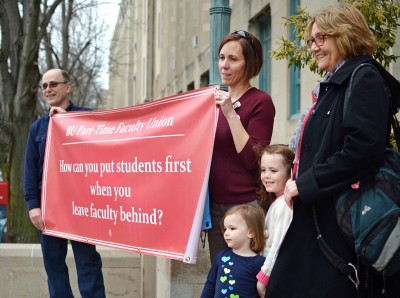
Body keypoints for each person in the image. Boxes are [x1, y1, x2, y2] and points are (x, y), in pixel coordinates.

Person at [265, 5, 400, 298]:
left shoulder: (363, 77)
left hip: (339, 219)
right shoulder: (335, 84)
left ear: (346, 35)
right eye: (311, 41)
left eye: (320, 38)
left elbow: (364, 148)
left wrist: (306, 183)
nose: (313, 47)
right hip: (321, 215)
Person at [24, 69, 106, 298]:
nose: (48, 89)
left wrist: (70, 122)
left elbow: (103, 151)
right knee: (54, 267)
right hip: (48, 209)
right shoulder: (37, 128)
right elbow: (30, 172)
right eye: (44, 86)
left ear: (67, 87)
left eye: (53, 84)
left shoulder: (87, 118)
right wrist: (33, 206)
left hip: (81, 207)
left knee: (88, 263)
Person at [208, 29, 275, 262]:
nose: (224, 65)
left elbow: (252, 160)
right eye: (222, 57)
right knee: (222, 277)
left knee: (245, 279)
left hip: (246, 207)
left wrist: (230, 114)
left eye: (233, 59)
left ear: (250, 64)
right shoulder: (213, 101)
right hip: (215, 208)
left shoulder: (260, 102)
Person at [254, 144, 294, 298]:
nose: (266, 176)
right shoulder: (277, 202)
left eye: (274, 171)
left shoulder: (285, 205)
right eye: (263, 170)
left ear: (289, 174)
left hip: (275, 277)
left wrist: (263, 278)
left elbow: (277, 246)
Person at [201, 204, 266, 298]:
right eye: (225, 229)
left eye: (232, 228)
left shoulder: (259, 263)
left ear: (250, 232)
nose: (226, 233)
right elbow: (210, 285)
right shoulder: (221, 257)